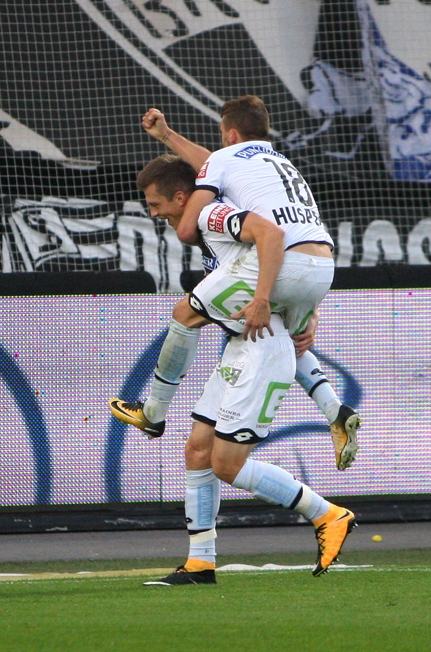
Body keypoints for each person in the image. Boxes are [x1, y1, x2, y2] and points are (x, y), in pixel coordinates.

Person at [109, 157, 355, 585]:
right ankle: (201, 562)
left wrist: (296, 312)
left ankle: (328, 514)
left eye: (155, 204)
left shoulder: (212, 214)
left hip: (261, 352)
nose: (154, 215)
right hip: (241, 350)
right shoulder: (220, 240)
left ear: (182, 197)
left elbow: (266, 232)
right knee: (198, 452)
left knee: (225, 461)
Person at [110, 96, 361, 470]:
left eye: (155, 205)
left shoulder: (220, 184)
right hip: (320, 267)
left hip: (278, 264)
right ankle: (335, 409)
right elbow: (216, 166)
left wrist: (263, 296)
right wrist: (309, 307)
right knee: (282, 339)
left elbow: (186, 225)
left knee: (187, 314)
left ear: (230, 134)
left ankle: (154, 411)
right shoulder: (279, 164)